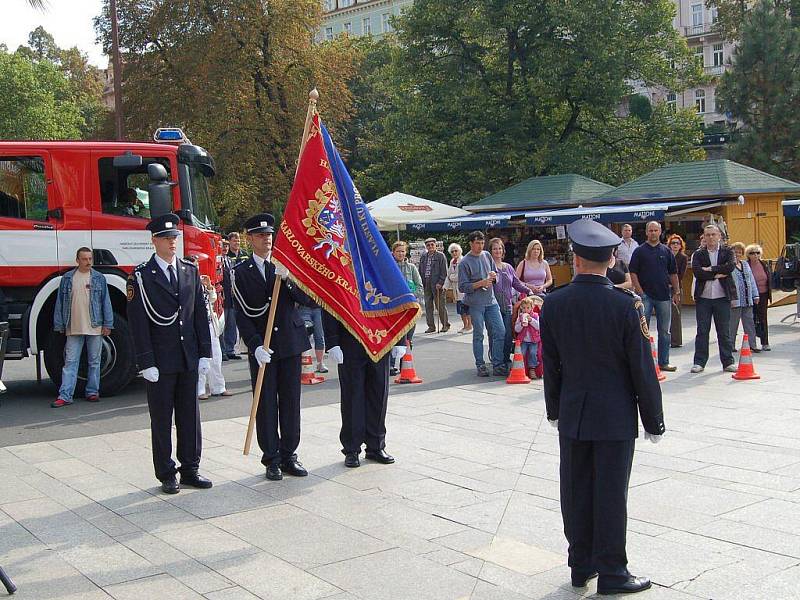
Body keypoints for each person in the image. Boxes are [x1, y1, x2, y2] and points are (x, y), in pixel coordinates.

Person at [540, 218, 665, 596]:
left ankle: (581, 564)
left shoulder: (555, 303)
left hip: (574, 413)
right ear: (612, 260)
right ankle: (612, 570)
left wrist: (554, 409)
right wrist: (653, 419)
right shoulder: (625, 305)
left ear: (575, 259)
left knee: (576, 490)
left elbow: (551, 364)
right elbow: (642, 368)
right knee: (610, 493)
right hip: (614, 416)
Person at [126, 213, 213, 494]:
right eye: (166, 238)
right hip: (161, 361)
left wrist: (204, 353)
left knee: (190, 416)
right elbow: (138, 323)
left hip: (187, 355)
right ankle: (166, 472)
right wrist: (146, 361)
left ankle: (190, 468)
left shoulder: (189, 271)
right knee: (162, 419)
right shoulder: (141, 276)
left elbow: (199, 315)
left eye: (175, 237)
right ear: (154, 241)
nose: (172, 242)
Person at [233, 213, 316, 481]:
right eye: (260, 235)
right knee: (266, 403)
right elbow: (241, 314)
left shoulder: (285, 265)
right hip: (263, 347)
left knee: (291, 402)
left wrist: (289, 278)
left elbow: (308, 300)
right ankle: (271, 458)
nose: (266, 239)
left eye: (269, 235)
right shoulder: (239, 273)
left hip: (290, 343)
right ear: (250, 239)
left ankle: (290, 454)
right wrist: (255, 345)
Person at [323, 311, 399, 468]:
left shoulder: (382, 283)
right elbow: (331, 301)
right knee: (352, 397)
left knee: (379, 394)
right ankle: (352, 449)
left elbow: (397, 297)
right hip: (349, 338)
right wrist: (332, 341)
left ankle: (376, 445)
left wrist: (401, 340)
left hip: (380, 337)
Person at [52, 247, 113, 408]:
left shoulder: (99, 278)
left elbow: (106, 302)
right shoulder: (67, 278)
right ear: (77, 260)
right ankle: (65, 395)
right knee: (70, 362)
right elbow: (60, 303)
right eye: (84, 259)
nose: (88, 262)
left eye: (90, 259)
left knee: (95, 362)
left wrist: (108, 324)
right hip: (73, 327)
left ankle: (92, 392)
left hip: (95, 326)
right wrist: (59, 324)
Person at [629, 221, 679, 372]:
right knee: (642, 331)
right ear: (646, 232)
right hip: (645, 297)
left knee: (665, 331)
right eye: (650, 230)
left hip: (664, 296)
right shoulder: (639, 251)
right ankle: (643, 363)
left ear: (660, 232)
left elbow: (673, 273)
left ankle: (664, 362)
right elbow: (633, 272)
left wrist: (676, 292)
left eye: (655, 230)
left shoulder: (666, 251)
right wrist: (640, 291)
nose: (653, 233)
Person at [458, 231, 507, 377]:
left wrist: (494, 277)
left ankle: (497, 363)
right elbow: (462, 287)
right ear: (471, 243)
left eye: (482, 243)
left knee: (500, 331)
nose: (480, 246)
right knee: (478, 334)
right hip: (475, 303)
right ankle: (480, 364)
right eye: (477, 243)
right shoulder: (465, 262)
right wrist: (480, 283)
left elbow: (495, 274)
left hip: (491, 301)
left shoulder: (487, 255)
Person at [690, 224, 737, 373]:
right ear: (703, 236)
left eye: (713, 234)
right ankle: (699, 362)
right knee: (702, 331)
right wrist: (717, 273)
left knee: (724, 331)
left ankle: (728, 361)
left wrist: (710, 269)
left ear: (719, 236)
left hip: (722, 297)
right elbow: (698, 272)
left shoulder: (727, 251)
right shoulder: (698, 254)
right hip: (703, 298)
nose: (710, 237)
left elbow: (730, 267)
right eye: (707, 235)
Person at [489, 237, 533, 368]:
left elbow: (516, 283)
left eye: (500, 248)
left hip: (508, 305)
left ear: (503, 251)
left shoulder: (508, 267)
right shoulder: (488, 267)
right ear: (490, 251)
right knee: (497, 334)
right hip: (493, 306)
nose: (497, 251)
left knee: (508, 335)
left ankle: (505, 359)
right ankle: (497, 362)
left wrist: (528, 291)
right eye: (495, 248)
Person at [197, 270, 232, 399]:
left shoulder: (202, 285)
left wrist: (209, 287)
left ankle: (218, 387)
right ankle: (199, 390)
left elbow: (212, 299)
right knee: (201, 358)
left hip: (210, 323)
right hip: (197, 326)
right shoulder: (188, 284)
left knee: (216, 357)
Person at [391, 241, 423, 375]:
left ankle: (405, 363)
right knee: (393, 337)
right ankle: (391, 365)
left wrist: (411, 296)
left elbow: (419, 286)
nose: (401, 253)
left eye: (403, 251)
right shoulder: (389, 267)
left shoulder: (411, 268)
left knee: (408, 338)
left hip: (410, 308)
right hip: (394, 308)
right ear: (393, 252)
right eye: (398, 251)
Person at [729, 242, 760, 353]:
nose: (737, 254)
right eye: (735, 252)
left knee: (749, 323)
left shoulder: (745, 265)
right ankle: (730, 345)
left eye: (739, 252)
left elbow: (751, 280)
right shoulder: (728, 266)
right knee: (732, 324)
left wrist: (755, 295)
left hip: (747, 300)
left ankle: (752, 345)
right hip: (735, 301)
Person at [222, 231, 248, 361]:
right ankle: (224, 350)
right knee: (224, 324)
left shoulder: (243, 255)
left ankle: (231, 349)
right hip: (225, 297)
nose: (236, 243)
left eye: (238, 241)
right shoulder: (222, 259)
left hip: (238, 296)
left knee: (233, 324)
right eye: (234, 241)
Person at [418, 237, 449, 333]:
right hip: (426, 283)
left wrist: (440, 282)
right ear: (426, 246)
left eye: (432, 244)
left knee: (440, 306)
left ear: (435, 245)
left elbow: (444, 271)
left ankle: (445, 325)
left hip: (437, 284)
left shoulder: (441, 256)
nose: (430, 246)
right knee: (428, 306)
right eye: (428, 245)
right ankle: (431, 326)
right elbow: (420, 270)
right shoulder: (424, 256)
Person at [746, 243, 772, 351]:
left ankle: (765, 342)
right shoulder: (746, 265)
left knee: (763, 317)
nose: (755, 255)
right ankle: (752, 343)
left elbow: (769, 278)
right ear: (748, 255)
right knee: (751, 319)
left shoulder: (764, 264)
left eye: (757, 253)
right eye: (752, 253)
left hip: (764, 294)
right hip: (751, 295)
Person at [444, 243, 472, 334]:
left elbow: (461, 276)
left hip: (463, 289)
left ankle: (469, 326)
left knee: (466, 308)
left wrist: (452, 277)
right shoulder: (452, 261)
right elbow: (448, 275)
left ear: (460, 251)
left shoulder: (464, 261)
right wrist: (445, 287)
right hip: (456, 289)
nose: (454, 253)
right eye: (452, 251)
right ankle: (465, 326)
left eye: (456, 251)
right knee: (460, 310)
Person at [667, 234, 688, 348]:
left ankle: (676, 341)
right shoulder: (666, 255)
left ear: (681, 246)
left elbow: (681, 274)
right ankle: (667, 339)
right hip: (664, 287)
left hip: (676, 288)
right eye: (673, 243)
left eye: (677, 243)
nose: (675, 245)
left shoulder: (683, 257)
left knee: (676, 314)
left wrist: (674, 285)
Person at [514, 296, 540, 380]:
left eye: (528, 308)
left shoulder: (535, 316)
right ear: (521, 308)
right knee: (522, 353)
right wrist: (521, 324)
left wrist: (531, 320)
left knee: (533, 353)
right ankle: (521, 369)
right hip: (524, 340)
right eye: (524, 308)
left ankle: (532, 368)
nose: (526, 310)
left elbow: (538, 327)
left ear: (532, 308)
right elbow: (516, 329)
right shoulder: (520, 317)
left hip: (533, 340)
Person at [298, 305, 328, 373]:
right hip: (303, 307)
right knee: (305, 334)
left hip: (318, 307)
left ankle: (320, 364)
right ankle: (301, 364)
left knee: (319, 336)